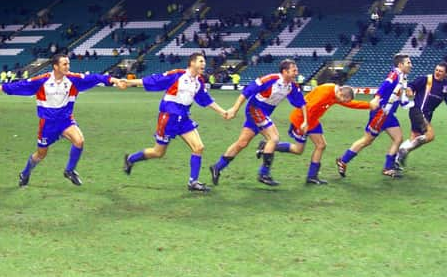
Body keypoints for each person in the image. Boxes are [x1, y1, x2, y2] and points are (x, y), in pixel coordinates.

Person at [0, 54, 124, 188]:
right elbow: (21, 85)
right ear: (55, 66)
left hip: (66, 121)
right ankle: (25, 173)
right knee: (41, 154)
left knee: (79, 141)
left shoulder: (73, 79)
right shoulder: (43, 80)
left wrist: (113, 80)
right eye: (64, 64)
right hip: (47, 124)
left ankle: (69, 171)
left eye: (68, 64)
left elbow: (94, 78)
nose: (68, 66)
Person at [122, 53, 228, 192]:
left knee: (199, 147)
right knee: (158, 152)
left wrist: (222, 112)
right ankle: (130, 159)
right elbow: (155, 80)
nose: (204, 64)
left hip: (183, 117)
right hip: (168, 116)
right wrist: (129, 82)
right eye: (201, 61)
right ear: (192, 63)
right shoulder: (178, 75)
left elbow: (205, 99)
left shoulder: (199, 81)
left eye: (204, 62)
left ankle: (193, 182)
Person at [210, 59, 308, 187]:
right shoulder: (270, 79)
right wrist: (234, 109)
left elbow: (302, 103)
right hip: (255, 109)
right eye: (294, 70)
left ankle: (217, 167)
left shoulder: (292, 86)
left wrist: (305, 120)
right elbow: (246, 92)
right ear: (285, 71)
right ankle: (263, 174)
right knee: (274, 138)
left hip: (263, 113)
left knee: (242, 143)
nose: (297, 73)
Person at [259, 84, 370, 184]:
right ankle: (267, 146)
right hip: (301, 120)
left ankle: (312, 176)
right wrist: (305, 122)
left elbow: (351, 104)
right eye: (344, 100)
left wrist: (369, 105)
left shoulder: (336, 94)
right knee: (298, 150)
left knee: (321, 145)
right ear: (341, 92)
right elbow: (308, 106)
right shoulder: (326, 93)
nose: (344, 102)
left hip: (312, 121)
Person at [336, 53, 413, 178]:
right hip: (381, 113)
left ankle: (388, 168)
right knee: (367, 140)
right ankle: (343, 160)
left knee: (398, 138)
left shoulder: (402, 77)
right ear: (400, 65)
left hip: (389, 114)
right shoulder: (395, 74)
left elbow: (398, 92)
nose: (411, 65)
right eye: (408, 63)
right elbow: (385, 84)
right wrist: (376, 98)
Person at [395, 61, 447, 168]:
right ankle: (404, 151)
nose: (437, 72)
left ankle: (396, 159)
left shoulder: (445, 86)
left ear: (445, 74)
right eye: (436, 70)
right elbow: (411, 86)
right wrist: (409, 90)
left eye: (441, 71)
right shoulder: (426, 79)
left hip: (427, 114)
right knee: (430, 135)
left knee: (415, 137)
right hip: (418, 110)